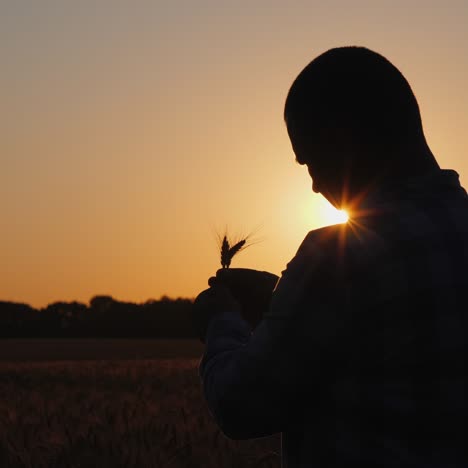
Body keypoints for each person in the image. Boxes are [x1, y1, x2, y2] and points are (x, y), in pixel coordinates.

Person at [192, 46, 468, 467]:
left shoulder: (338, 257)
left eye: (311, 160)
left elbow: (241, 405)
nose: (315, 184)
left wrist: (221, 322)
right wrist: (284, 300)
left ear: (342, 138)